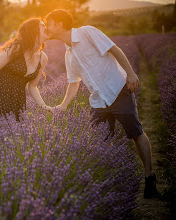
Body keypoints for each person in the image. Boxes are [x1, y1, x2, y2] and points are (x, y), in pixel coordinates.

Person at [44, 9, 158, 199]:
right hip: (98, 101)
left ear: (59, 24)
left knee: (136, 133)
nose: (46, 27)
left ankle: (149, 177)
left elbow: (114, 49)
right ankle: (109, 188)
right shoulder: (68, 54)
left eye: (48, 23)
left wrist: (130, 73)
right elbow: (73, 83)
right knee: (99, 143)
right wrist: (63, 105)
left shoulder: (86, 32)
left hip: (118, 90)